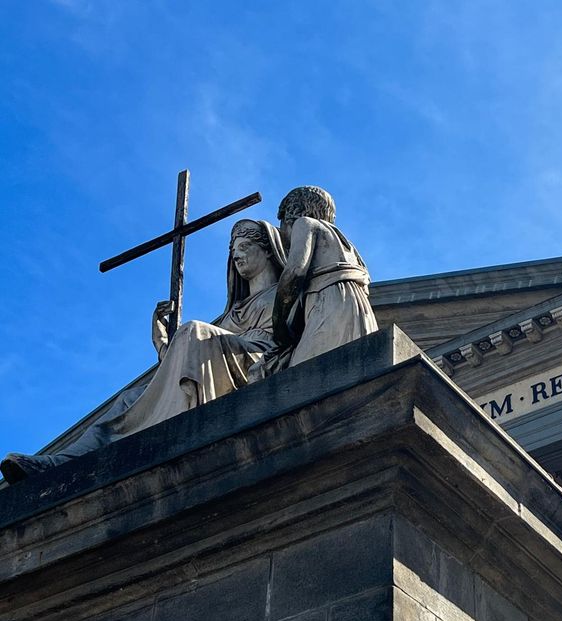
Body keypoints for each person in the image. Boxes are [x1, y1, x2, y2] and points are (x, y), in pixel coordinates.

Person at [1, 219, 287, 484]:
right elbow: (191, 364)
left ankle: (169, 436)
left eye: (244, 247)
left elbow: (279, 341)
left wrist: (189, 340)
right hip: (221, 360)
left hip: (257, 361)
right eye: (233, 250)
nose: (236, 255)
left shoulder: (283, 293)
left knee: (194, 332)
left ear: (268, 251)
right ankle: (58, 465)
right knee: (129, 400)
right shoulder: (230, 314)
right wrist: (163, 342)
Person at [251, 186, 378, 378]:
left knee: (301, 377)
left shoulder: (305, 224)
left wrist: (279, 325)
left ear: (290, 215)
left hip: (329, 304)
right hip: (358, 310)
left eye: (282, 224)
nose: (282, 234)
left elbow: (294, 271)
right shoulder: (348, 246)